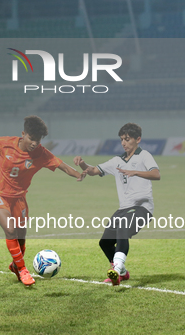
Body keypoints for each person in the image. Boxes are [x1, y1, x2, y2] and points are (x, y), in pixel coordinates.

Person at [0, 115, 83, 287]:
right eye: (32, 138)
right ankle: (22, 270)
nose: (35, 143)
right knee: (10, 229)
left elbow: (63, 166)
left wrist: (80, 175)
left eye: (38, 140)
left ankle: (15, 264)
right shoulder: (6, 143)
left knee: (21, 236)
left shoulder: (41, 153)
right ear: (23, 134)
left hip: (18, 198)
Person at [74, 123, 160, 287]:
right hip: (124, 209)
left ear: (138, 139)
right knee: (104, 243)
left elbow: (156, 174)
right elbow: (93, 171)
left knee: (122, 226)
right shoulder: (117, 161)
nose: (123, 143)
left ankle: (117, 268)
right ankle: (123, 272)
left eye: (127, 139)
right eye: (122, 139)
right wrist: (82, 164)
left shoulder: (144, 156)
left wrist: (136, 172)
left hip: (143, 208)